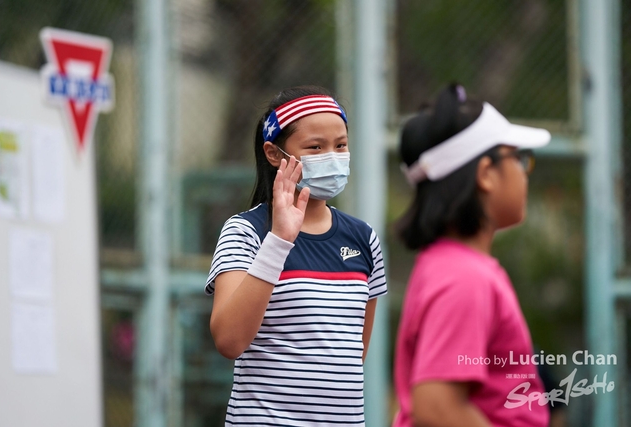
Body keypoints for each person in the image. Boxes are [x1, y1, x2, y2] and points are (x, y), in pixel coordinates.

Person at [206, 85, 388, 426]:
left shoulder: (363, 239)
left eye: (341, 145)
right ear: (275, 154)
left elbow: (351, 356)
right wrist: (280, 240)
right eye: (315, 147)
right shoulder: (245, 232)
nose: (332, 157)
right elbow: (229, 340)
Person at [393, 83, 551, 427]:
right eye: (518, 158)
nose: (525, 171)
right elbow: (437, 407)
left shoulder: (454, 267)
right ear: (485, 174)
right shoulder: (463, 277)